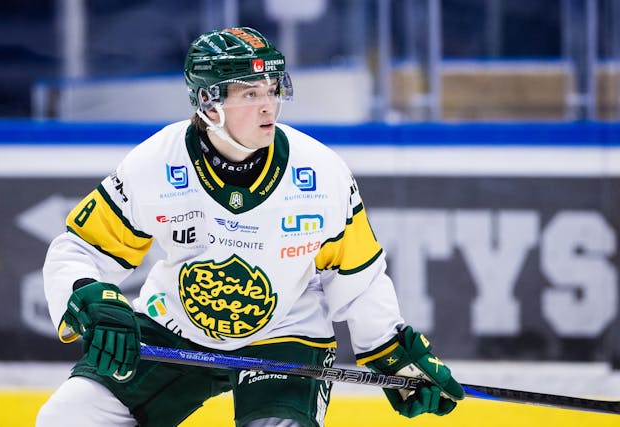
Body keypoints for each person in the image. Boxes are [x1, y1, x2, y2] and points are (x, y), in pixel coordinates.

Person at [36, 27, 464, 427]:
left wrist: (391, 349)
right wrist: (89, 295)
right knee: (66, 418)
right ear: (209, 103)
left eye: (273, 90)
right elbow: (81, 248)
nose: (268, 105)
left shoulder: (321, 173)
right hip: (174, 330)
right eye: (250, 93)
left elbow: (357, 277)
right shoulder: (155, 163)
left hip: (286, 336)